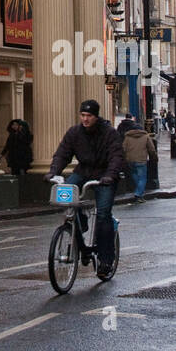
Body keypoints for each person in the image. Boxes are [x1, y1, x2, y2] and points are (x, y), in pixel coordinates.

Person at [47, 99, 123, 280]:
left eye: (89, 116)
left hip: (104, 174)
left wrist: (110, 176)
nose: (85, 119)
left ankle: (105, 260)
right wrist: (53, 172)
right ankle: (79, 221)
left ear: (96, 117)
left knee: (103, 214)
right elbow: (62, 153)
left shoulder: (109, 134)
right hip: (83, 171)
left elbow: (116, 157)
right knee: (68, 197)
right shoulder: (75, 133)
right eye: (83, 115)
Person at [122, 122, 157, 202]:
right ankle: (138, 193)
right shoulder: (145, 136)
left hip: (130, 160)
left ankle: (139, 192)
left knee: (135, 175)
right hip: (141, 160)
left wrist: (125, 158)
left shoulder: (127, 137)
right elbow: (151, 149)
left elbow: (123, 149)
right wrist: (154, 157)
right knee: (142, 178)